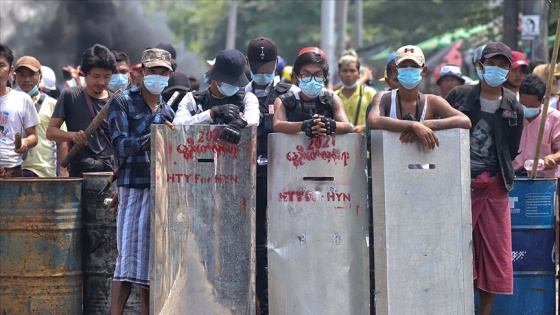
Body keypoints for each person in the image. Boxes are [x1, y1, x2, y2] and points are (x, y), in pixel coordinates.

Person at [445, 42, 523, 315]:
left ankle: (484, 313)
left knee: (494, 254)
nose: (497, 70)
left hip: (494, 187)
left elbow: (512, 149)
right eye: (492, 64)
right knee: (453, 248)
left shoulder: (514, 105)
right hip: (456, 184)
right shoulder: (459, 96)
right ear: (479, 66)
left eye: (504, 66)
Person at [108, 47, 175, 315]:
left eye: (163, 72)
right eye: (153, 71)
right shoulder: (122, 101)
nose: (157, 76)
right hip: (133, 187)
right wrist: (154, 135)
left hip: (160, 190)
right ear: (142, 71)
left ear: (170, 75)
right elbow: (120, 146)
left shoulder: (168, 109)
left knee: (151, 264)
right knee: (126, 261)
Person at [244, 36, 299, 315]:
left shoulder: (289, 94)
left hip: (283, 177)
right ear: (247, 65)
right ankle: (258, 301)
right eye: (257, 68)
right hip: (250, 177)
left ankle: (282, 301)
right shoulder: (240, 94)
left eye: (267, 68)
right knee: (253, 242)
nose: (263, 74)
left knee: (285, 240)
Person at [368, 45, 471, 150]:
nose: (409, 70)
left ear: (424, 70)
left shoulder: (432, 102)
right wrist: (413, 126)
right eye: (403, 66)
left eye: (414, 66)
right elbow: (373, 120)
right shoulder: (384, 98)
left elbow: (464, 121)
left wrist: (427, 124)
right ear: (395, 70)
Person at [47, 43, 117, 177]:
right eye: (96, 76)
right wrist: (72, 136)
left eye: (107, 76)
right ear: (84, 74)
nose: (101, 82)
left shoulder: (117, 101)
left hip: (111, 174)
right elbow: (51, 132)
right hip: (81, 173)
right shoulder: (70, 96)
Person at [173, 48, 259, 145]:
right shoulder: (193, 99)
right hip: (199, 156)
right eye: (231, 82)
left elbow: (254, 117)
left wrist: (239, 123)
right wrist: (211, 113)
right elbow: (177, 125)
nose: (235, 86)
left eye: (237, 82)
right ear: (217, 78)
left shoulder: (247, 98)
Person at [273, 47, 353, 136]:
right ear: (296, 77)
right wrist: (305, 125)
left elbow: (347, 126)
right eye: (306, 74)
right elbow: (278, 125)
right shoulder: (284, 101)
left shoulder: (332, 99)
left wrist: (329, 124)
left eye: (318, 75)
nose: (312, 80)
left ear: (324, 77)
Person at [14, 56, 68, 177]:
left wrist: (63, 172)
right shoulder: (6, 102)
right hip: (12, 171)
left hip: (43, 173)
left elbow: (61, 142)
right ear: (14, 76)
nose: (27, 79)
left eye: (32, 74)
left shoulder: (52, 104)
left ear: (40, 77)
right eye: (22, 75)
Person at [0, 44, 39, 178]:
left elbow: (33, 136)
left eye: (1, 65)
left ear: (10, 70)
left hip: (13, 171)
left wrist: (25, 142)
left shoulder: (22, 99)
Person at [512, 74, 560, 177]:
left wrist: (553, 158)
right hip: (513, 179)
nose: (527, 108)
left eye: (532, 106)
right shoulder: (510, 115)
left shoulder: (555, 119)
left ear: (542, 101)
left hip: (543, 180)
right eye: (523, 105)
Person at [335, 49, 376, 133]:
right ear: (339, 73)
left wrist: (364, 127)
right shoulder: (334, 96)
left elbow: (379, 119)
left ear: (358, 74)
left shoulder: (370, 93)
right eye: (344, 71)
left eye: (352, 71)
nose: (348, 74)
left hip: (365, 144)